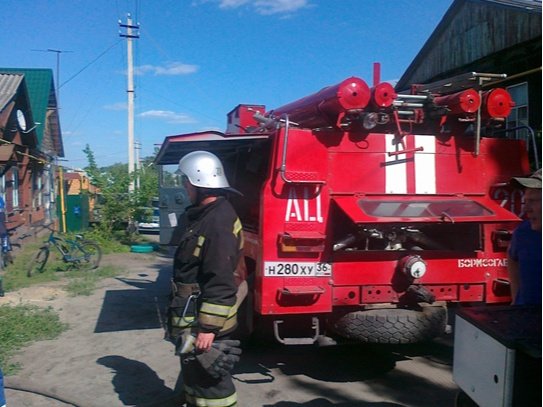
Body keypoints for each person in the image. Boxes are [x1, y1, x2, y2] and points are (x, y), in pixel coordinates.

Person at [166, 150, 245, 407]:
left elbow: (221, 278)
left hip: (205, 320)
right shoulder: (205, 213)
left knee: (210, 382)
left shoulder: (218, 222)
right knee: (193, 373)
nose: (185, 187)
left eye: (186, 182)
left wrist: (208, 329)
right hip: (192, 314)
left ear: (199, 183)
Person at [507, 168, 542, 305]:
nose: (525, 209)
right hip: (526, 322)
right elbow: (512, 257)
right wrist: (516, 301)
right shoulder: (523, 233)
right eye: (525, 201)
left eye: (533, 201)